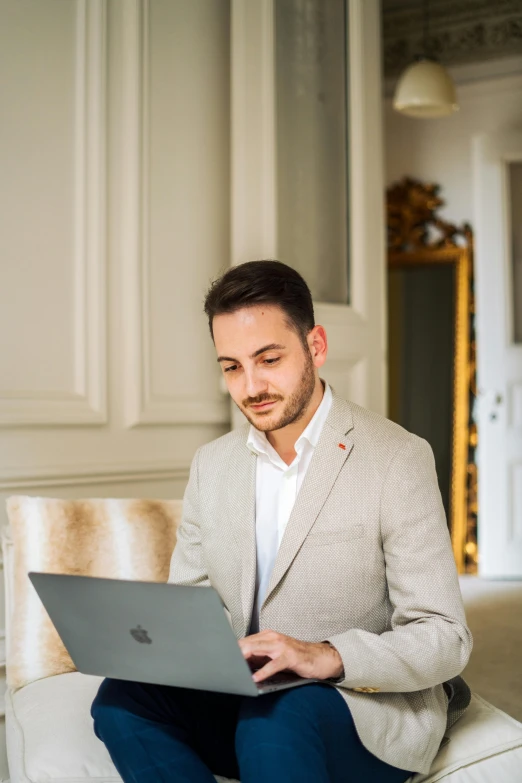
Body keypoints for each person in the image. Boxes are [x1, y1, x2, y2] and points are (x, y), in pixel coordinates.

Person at [91, 260, 473, 783]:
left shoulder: (397, 458)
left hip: (351, 706)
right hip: (242, 695)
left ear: (315, 346)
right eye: (231, 366)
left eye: (269, 359)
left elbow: (445, 636)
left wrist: (328, 656)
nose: (251, 386)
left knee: (273, 721)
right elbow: (191, 603)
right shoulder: (212, 464)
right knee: (120, 700)